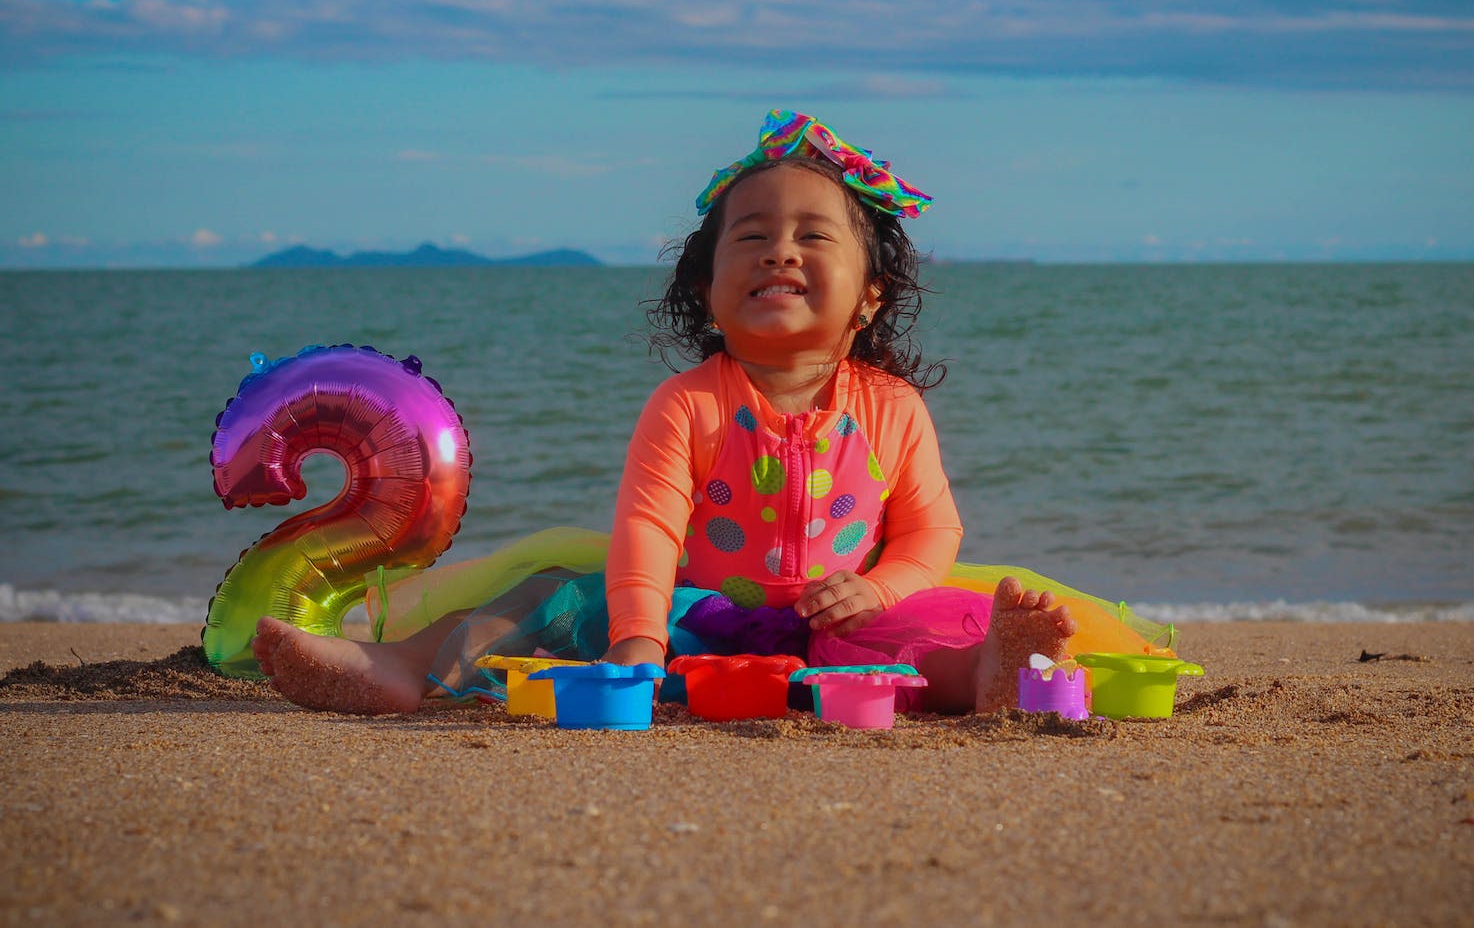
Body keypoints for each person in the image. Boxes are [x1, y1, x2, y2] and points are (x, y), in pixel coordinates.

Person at [254, 110, 1156, 717]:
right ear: (705, 285)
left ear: (871, 295)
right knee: (542, 597)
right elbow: (648, 525)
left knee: (929, 627)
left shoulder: (891, 407)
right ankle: (400, 669)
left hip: (848, 620)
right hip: (697, 616)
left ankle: (988, 674)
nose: (781, 251)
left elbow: (930, 532)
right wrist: (640, 634)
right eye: (752, 236)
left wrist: (876, 588)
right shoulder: (687, 404)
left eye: (812, 235)